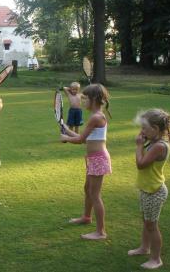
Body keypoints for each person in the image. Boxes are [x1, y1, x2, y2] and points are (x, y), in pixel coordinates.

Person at [60, 83, 111, 240]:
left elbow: (81, 139)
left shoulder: (96, 117)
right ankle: (86, 217)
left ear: (94, 99)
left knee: (95, 195)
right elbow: (84, 136)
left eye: (85, 98)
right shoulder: (96, 116)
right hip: (93, 159)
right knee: (87, 189)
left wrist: (66, 138)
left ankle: (100, 232)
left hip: (98, 159)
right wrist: (66, 129)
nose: (83, 101)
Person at [128, 109, 170, 270]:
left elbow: (141, 164)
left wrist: (139, 146)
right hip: (147, 189)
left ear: (155, 128)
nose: (142, 131)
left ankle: (156, 259)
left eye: (145, 128)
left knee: (151, 226)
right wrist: (144, 141)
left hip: (155, 192)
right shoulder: (154, 142)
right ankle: (144, 248)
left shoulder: (159, 146)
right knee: (146, 222)